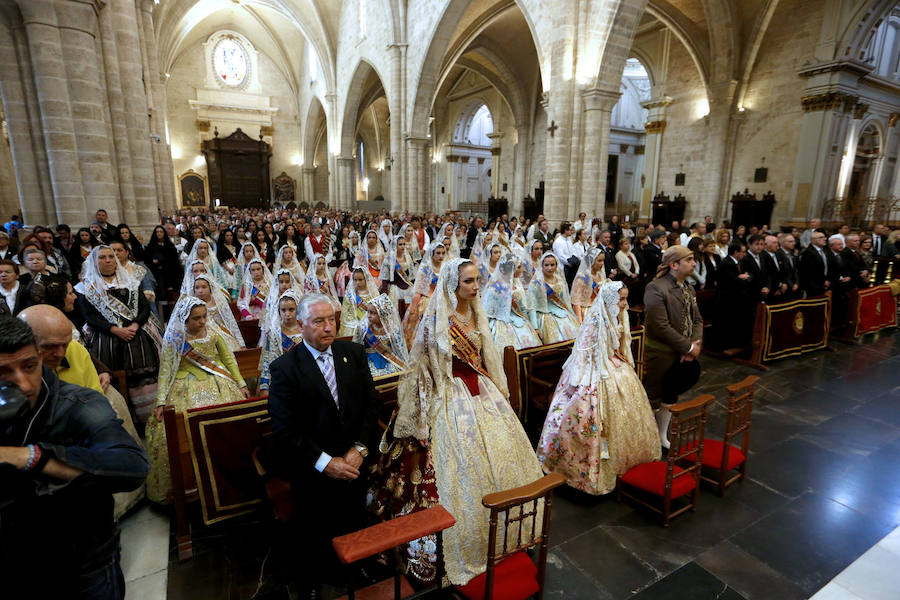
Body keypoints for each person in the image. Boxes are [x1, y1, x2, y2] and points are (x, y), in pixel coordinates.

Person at [369, 259, 543, 585]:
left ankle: (509, 531)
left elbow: (483, 355)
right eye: (468, 281)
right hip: (448, 396)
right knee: (454, 467)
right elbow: (422, 366)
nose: (476, 287)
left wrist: (497, 387)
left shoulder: (476, 312)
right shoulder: (436, 317)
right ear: (453, 284)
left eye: (477, 280)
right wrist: (423, 413)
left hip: (480, 391)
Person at [0, 316, 148, 600]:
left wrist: (33, 457)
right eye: (4, 372)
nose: (24, 384)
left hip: (84, 562)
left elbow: (133, 466)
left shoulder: (78, 404)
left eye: (29, 367)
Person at [268, 293, 379, 595]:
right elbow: (285, 428)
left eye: (332, 319)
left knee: (356, 517)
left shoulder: (353, 353)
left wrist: (361, 449)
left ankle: (358, 565)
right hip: (312, 468)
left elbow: (371, 406)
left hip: (354, 460)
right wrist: (325, 463)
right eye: (319, 321)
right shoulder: (285, 368)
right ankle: (318, 578)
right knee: (317, 529)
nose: (328, 327)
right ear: (300, 324)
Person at [18, 304, 145, 519]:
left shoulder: (75, 352)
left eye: (64, 344)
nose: (60, 353)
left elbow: (93, 397)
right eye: (49, 346)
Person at [537, 280, 660, 494]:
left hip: (613, 366)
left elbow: (620, 345)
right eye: (621, 299)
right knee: (584, 417)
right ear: (610, 299)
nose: (624, 303)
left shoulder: (619, 315)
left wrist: (617, 361)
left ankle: (629, 460)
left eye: (625, 298)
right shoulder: (595, 319)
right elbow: (586, 353)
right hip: (593, 372)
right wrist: (599, 370)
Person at [143, 297, 249, 503]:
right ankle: (192, 484)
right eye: (196, 318)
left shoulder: (213, 332)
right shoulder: (175, 338)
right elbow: (165, 371)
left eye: (204, 317)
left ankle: (226, 478)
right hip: (184, 387)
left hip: (219, 383)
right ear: (184, 319)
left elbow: (227, 359)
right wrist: (161, 401)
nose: (202, 322)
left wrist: (241, 383)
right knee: (180, 434)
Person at [76, 245, 162, 426]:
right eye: (102, 257)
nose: (108, 260)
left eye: (110, 256)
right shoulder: (86, 286)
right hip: (105, 337)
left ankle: (147, 420)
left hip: (137, 334)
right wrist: (115, 330)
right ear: (93, 261)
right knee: (113, 378)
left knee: (144, 376)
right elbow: (88, 315)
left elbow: (144, 307)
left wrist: (135, 324)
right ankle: (123, 421)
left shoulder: (130, 281)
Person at [643, 246, 703, 449]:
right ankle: (646, 439)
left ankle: (661, 436)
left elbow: (697, 320)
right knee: (654, 395)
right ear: (674, 265)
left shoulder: (688, 287)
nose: (694, 263)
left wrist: (694, 344)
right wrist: (688, 347)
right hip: (661, 353)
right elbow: (660, 326)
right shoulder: (656, 288)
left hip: (682, 352)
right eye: (690, 259)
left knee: (671, 395)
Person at [481, 253, 541, 350]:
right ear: (513, 269)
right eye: (519, 267)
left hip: (520, 321)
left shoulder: (517, 283)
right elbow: (487, 312)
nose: (521, 269)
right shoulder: (495, 288)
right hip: (501, 323)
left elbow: (523, 308)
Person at [353, 293, 410, 377]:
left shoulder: (393, 329)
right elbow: (356, 349)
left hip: (389, 360)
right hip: (369, 360)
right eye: (368, 312)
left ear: (383, 314)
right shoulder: (363, 328)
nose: (368, 316)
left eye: (372, 313)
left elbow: (399, 350)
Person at [527, 252, 579, 343]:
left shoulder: (560, 280)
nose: (549, 268)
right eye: (546, 265)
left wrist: (575, 317)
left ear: (556, 265)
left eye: (552, 265)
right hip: (545, 315)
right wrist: (535, 327)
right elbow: (532, 306)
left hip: (563, 314)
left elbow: (566, 302)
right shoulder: (536, 282)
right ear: (542, 266)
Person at [258, 289, 304, 391]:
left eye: (291, 309)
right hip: (283, 377)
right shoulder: (273, 333)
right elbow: (267, 361)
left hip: (305, 376)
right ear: (278, 310)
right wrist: (264, 386)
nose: (287, 314)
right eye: (283, 310)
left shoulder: (305, 330)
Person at [402, 241, 446, 346]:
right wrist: (413, 307)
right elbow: (418, 289)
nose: (441, 256)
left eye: (443, 253)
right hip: (427, 302)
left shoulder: (446, 267)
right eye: (438, 253)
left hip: (442, 302)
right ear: (432, 254)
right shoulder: (425, 268)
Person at [192, 274, 245, 351]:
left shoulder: (219, 302)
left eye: (204, 287)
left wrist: (241, 344)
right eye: (197, 288)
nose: (200, 291)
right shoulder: (192, 305)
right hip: (202, 337)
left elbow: (231, 322)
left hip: (222, 334)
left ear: (210, 288)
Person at [340, 262, 381, 337]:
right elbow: (345, 311)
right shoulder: (350, 294)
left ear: (366, 279)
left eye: (360, 280)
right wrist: (354, 322)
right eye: (355, 280)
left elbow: (377, 311)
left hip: (370, 323)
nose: (357, 282)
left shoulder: (373, 293)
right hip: (352, 324)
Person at [570, 248, 606, 323]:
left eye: (603, 260)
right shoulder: (583, 278)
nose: (602, 263)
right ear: (591, 261)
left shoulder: (600, 275)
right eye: (599, 260)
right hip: (588, 312)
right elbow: (576, 302)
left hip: (601, 309)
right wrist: (579, 322)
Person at [799, 230, 830, 297]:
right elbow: (810, 272)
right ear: (813, 240)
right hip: (813, 287)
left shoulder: (824, 251)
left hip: (823, 285)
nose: (825, 239)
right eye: (821, 237)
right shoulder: (808, 253)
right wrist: (823, 281)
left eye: (824, 237)